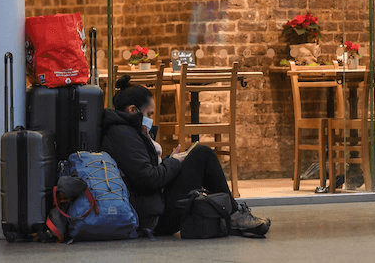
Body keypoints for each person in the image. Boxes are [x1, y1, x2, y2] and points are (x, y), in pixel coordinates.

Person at [100, 75, 271, 237]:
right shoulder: (122, 134)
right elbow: (148, 179)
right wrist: (173, 163)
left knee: (197, 155)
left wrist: (169, 160)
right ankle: (234, 215)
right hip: (153, 218)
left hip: (155, 206)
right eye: (149, 114)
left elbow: (145, 170)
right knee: (201, 155)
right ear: (132, 110)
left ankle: (232, 213)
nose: (151, 119)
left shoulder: (125, 130)